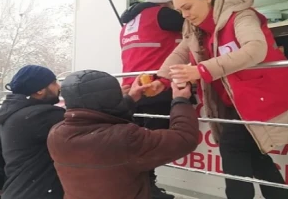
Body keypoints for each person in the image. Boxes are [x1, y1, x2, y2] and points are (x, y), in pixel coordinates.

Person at [152, 0, 288, 199]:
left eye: (187, 7)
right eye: (179, 11)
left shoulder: (241, 15)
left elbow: (255, 49)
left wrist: (202, 70)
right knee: (256, 158)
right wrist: (160, 79)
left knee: (232, 149)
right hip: (236, 103)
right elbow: (180, 52)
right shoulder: (195, 27)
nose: (184, 15)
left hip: (262, 98)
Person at [47, 70, 199, 199]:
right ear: (111, 99)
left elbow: (97, 115)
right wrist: (181, 101)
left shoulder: (56, 133)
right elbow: (184, 138)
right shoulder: (124, 138)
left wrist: (131, 98)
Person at [119, 0, 185, 199]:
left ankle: (141, 187)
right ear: (168, 2)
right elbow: (196, 26)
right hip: (156, 87)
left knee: (137, 142)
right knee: (153, 143)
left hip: (132, 88)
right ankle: (148, 189)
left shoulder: (129, 22)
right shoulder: (163, 14)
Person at [0, 65, 64, 199]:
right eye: (54, 82)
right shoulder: (43, 115)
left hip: (18, 190)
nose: (59, 86)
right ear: (39, 90)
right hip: (38, 192)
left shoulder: (10, 113)